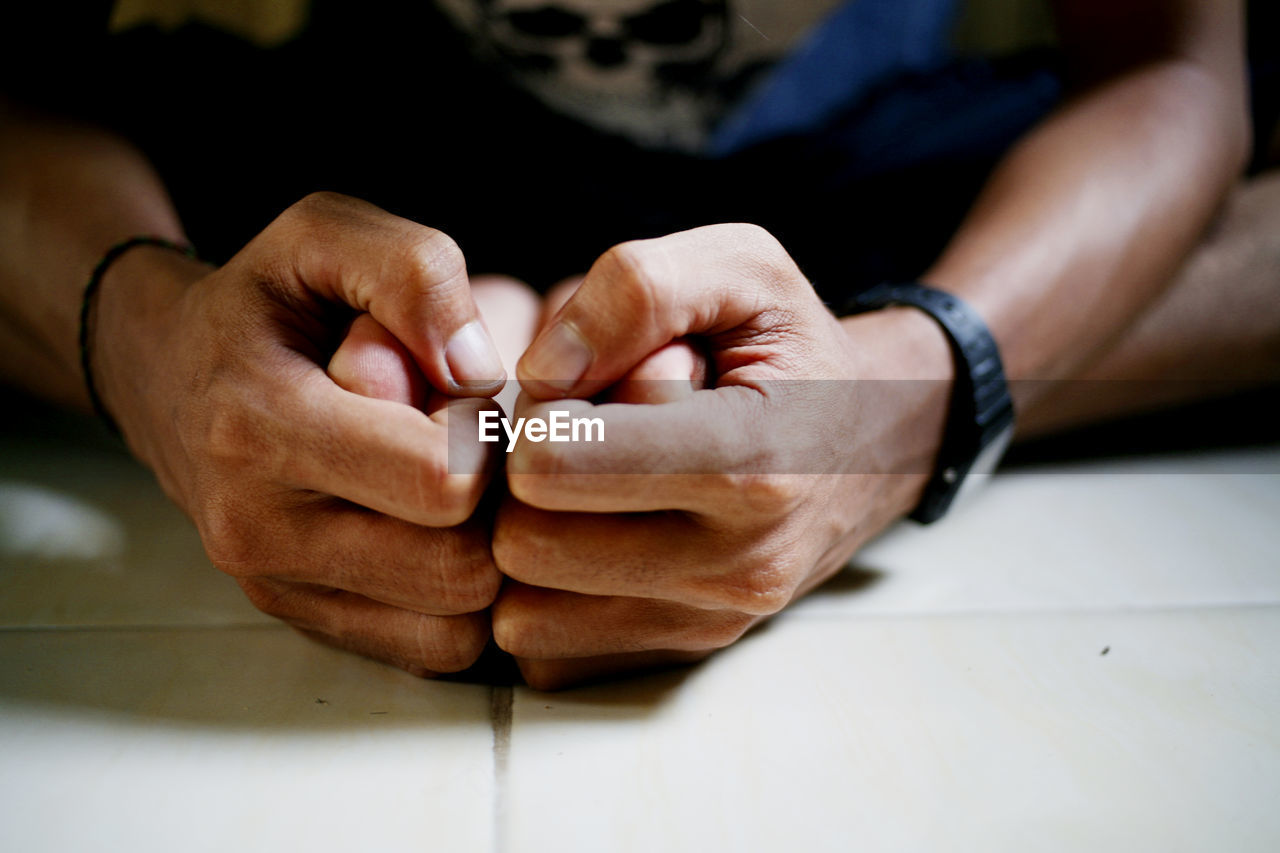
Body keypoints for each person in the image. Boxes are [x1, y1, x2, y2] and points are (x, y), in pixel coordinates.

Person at [1, 0, 1277, 689]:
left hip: (913, 182)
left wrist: (903, 397)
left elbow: (1169, 72)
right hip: (355, 163)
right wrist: (158, 349)